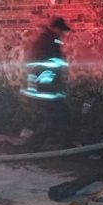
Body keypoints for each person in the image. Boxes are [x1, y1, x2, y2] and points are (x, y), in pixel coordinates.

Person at [19, 16, 72, 149]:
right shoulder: (45, 42)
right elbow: (40, 65)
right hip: (45, 89)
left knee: (59, 115)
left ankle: (65, 144)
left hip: (48, 87)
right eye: (61, 30)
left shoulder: (50, 40)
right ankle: (33, 146)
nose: (63, 33)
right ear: (55, 28)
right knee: (52, 117)